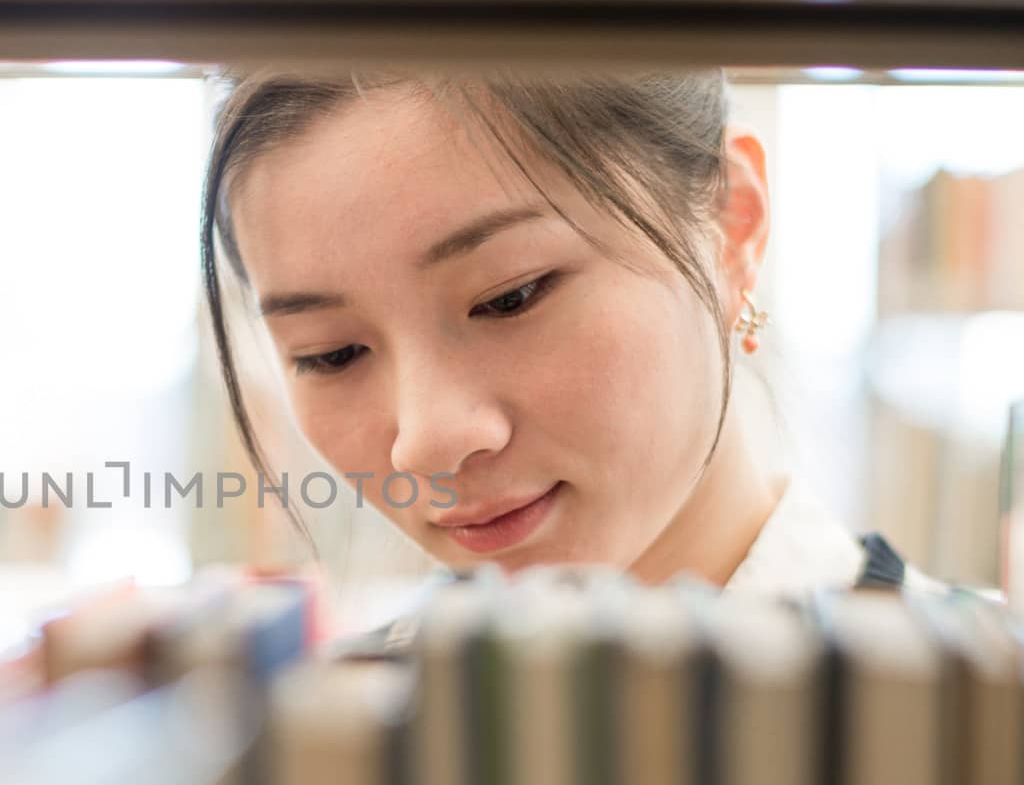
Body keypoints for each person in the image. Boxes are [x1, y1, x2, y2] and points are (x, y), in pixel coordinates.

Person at [200, 67, 936, 602]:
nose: (423, 443)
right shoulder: (327, 757)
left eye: (509, 297)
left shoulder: (980, 736)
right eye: (331, 354)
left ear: (733, 224)